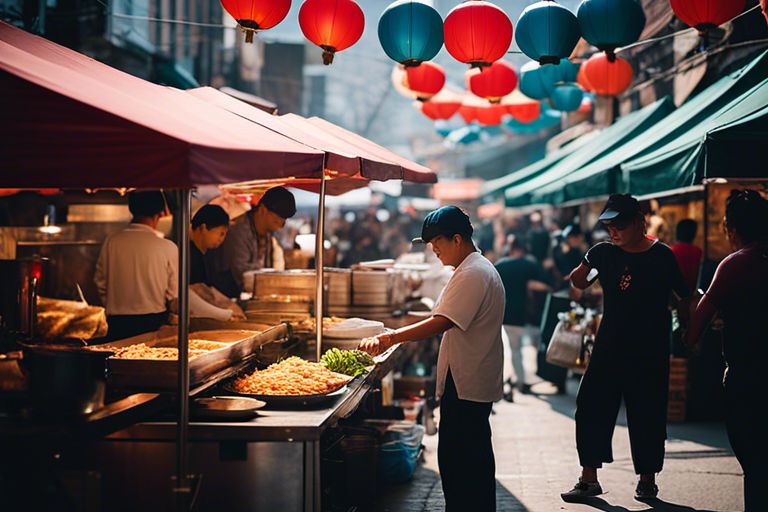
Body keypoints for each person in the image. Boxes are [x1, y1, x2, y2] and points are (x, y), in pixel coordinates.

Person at [359, 206, 505, 512]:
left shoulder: (474, 273)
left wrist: (390, 337)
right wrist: (397, 323)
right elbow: (440, 313)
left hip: (468, 380)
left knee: (462, 459)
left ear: (457, 239)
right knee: (467, 456)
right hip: (467, 376)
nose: (433, 249)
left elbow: (442, 321)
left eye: (437, 242)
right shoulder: (467, 270)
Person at [561, 194, 690, 503]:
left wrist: (688, 332)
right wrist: (585, 264)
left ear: (638, 221)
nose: (613, 232)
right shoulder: (603, 252)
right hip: (609, 344)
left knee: (647, 411)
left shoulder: (662, 255)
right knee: (591, 405)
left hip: (650, 346)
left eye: (618, 225)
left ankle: (647, 480)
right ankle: (588, 478)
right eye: (608, 226)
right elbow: (579, 283)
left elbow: (683, 297)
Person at [686, 190, 768, 512]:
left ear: (732, 230)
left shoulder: (734, 265)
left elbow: (696, 326)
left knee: (756, 462)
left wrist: (690, 336)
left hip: (748, 379)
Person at [95, 191, 177, 340]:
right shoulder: (167, 246)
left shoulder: (112, 242)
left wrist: (115, 303)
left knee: (117, 361)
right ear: (159, 214)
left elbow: (100, 282)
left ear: (132, 210)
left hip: (117, 323)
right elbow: (174, 293)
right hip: (153, 322)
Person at [206, 186, 296, 298]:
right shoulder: (238, 232)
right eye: (278, 219)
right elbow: (242, 275)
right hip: (225, 300)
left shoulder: (268, 234)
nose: (281, 225)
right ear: (263, 210)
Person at [495, 235, 552, 399]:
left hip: (506, 314)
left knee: (515, 350)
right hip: (529, 315)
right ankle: (523, 380)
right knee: (532, 347)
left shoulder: (500, 265)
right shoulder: (530, 265)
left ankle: (518, 380)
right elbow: (545, 285)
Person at [189, 205, 246, 322]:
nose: (222, 239)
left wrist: (229, 306)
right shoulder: (188, 254)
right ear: (203, 228)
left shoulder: (204, 253)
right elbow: (194, 292)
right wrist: (226, 312)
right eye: (221, 233)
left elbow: (207, 289)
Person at [670, 219, 703, 294]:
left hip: (675, 297)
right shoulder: (698, 252)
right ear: (693, 234)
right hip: (692, 296)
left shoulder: (670, 251)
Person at [553, 224, 586, 289]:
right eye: (568, 238)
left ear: (580, 237)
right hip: (567, 284)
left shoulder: (588, 251)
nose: (569, 240)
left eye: (572, 237)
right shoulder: (567, 252)